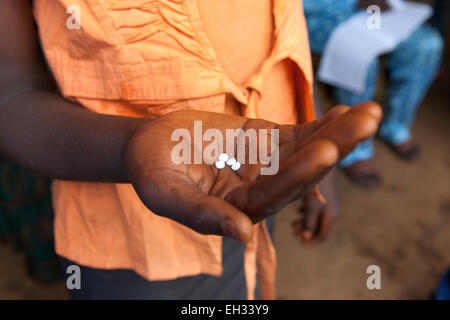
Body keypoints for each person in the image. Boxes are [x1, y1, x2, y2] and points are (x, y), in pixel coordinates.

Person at [0, 0, 380, 299]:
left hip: (263, 173)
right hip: (134, 244)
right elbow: (12, 94)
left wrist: (318, 168)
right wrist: (127, 147)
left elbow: (285, 26)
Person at [303, 0, 444, 188]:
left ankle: (396, 125)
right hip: (320, 17)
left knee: (427, 44)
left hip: (373, 11)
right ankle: (356, 146)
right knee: (360, 58)